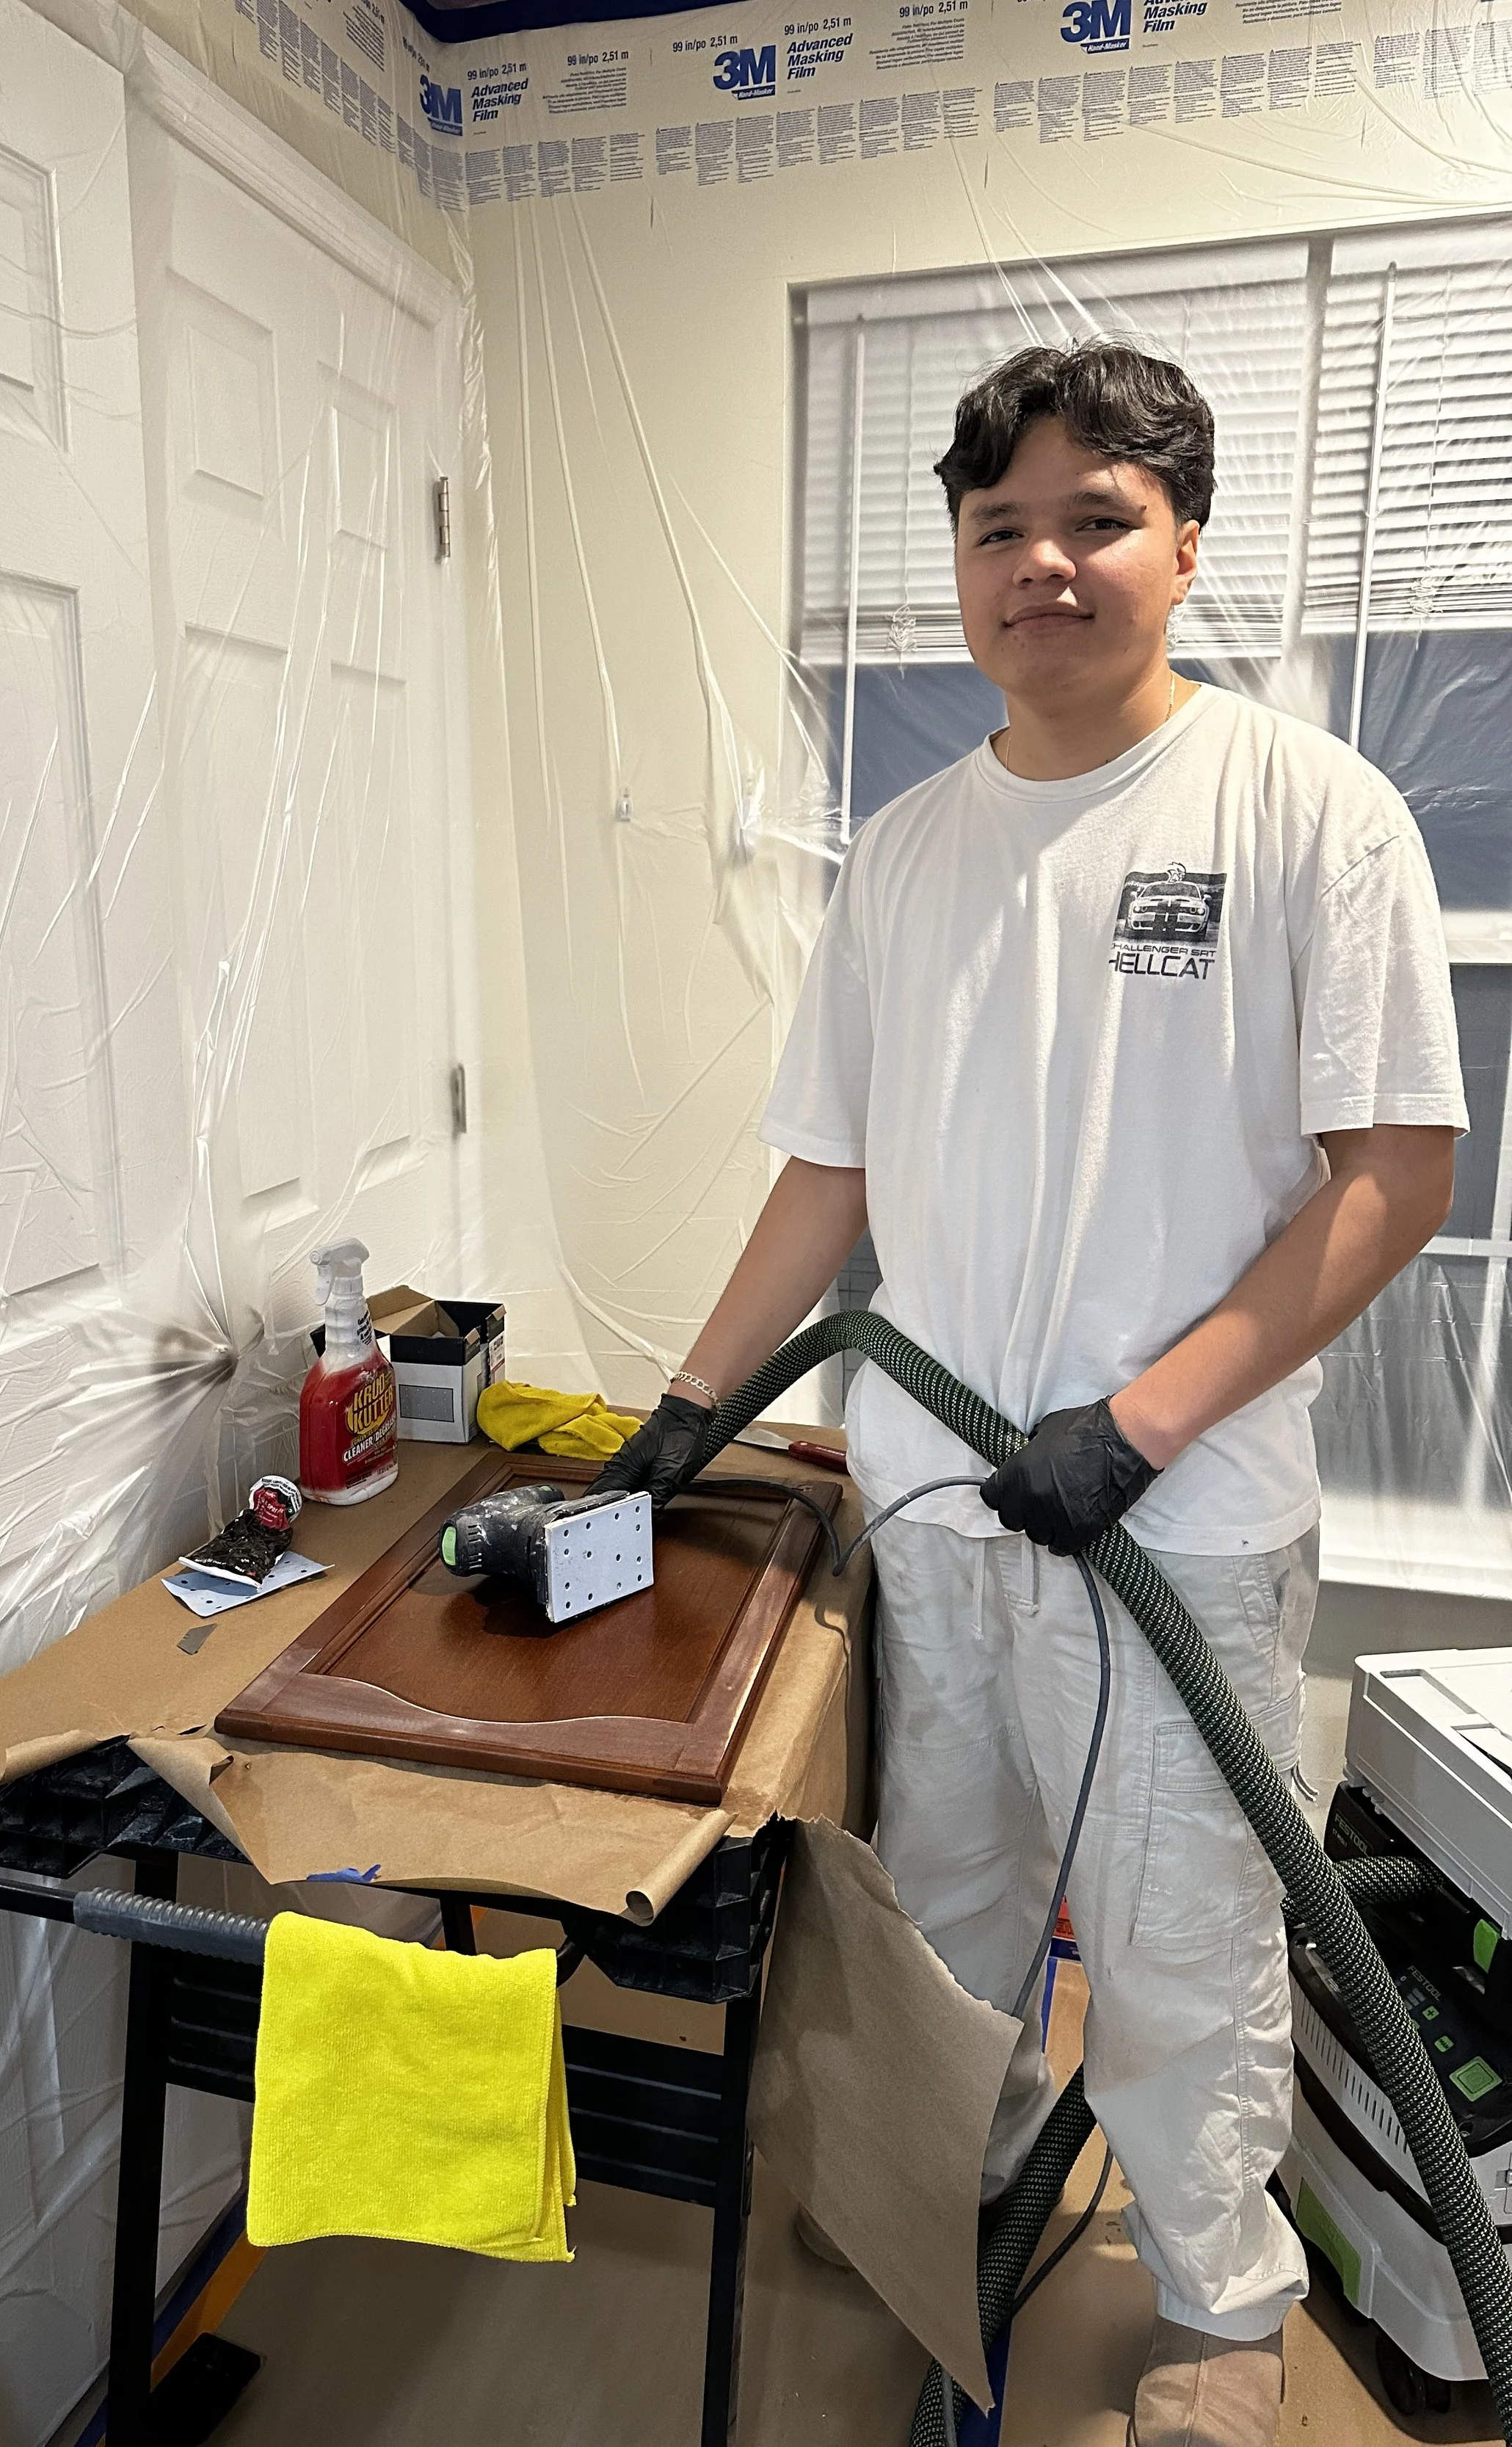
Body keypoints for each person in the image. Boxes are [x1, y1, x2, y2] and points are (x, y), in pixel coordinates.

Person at [592, 338, 1466, 2447]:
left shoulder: (1300, 811)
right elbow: (833, 1169)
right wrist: (684, 1412)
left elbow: (1396, 1173)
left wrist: (1145, 1415)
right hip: (928, 1506)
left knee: (1175, 1934)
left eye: (1095, 518)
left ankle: (1216, 2302)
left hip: (1177, 1514)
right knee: (942, 1896)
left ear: (1183, 545)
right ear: (958, 568)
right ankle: (947, 2198)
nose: (1042, 562)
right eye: (1000, 527)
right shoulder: (898, 853)